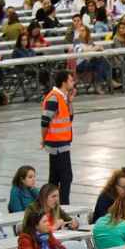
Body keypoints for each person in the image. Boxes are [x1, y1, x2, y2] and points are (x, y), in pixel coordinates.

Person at [41, 70, 75, 206]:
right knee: (66, 177)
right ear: (64, 82)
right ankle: (64, 206)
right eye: (71, 80)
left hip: (61, 143)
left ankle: (52, 205)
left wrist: (70, 102)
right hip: (57, 144)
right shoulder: (54, 98)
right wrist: (43, 139)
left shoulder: (63, 97)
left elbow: (70, 118)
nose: (73, 82)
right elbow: (45, 121)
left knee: (55, 178)